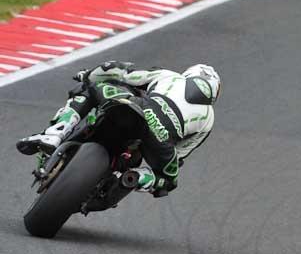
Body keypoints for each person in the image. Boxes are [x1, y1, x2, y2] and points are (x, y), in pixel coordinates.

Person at [17, 61, 220, 196]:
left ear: (189, 74)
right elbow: (181, 154)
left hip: (138, 107)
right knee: (168, 180)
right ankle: (137, 178)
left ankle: (53, 135)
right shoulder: (209, 119)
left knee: (90, 89)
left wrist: (89, 75)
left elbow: (121, 72)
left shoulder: (171, 77)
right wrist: (163, 157)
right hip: (160, 138)